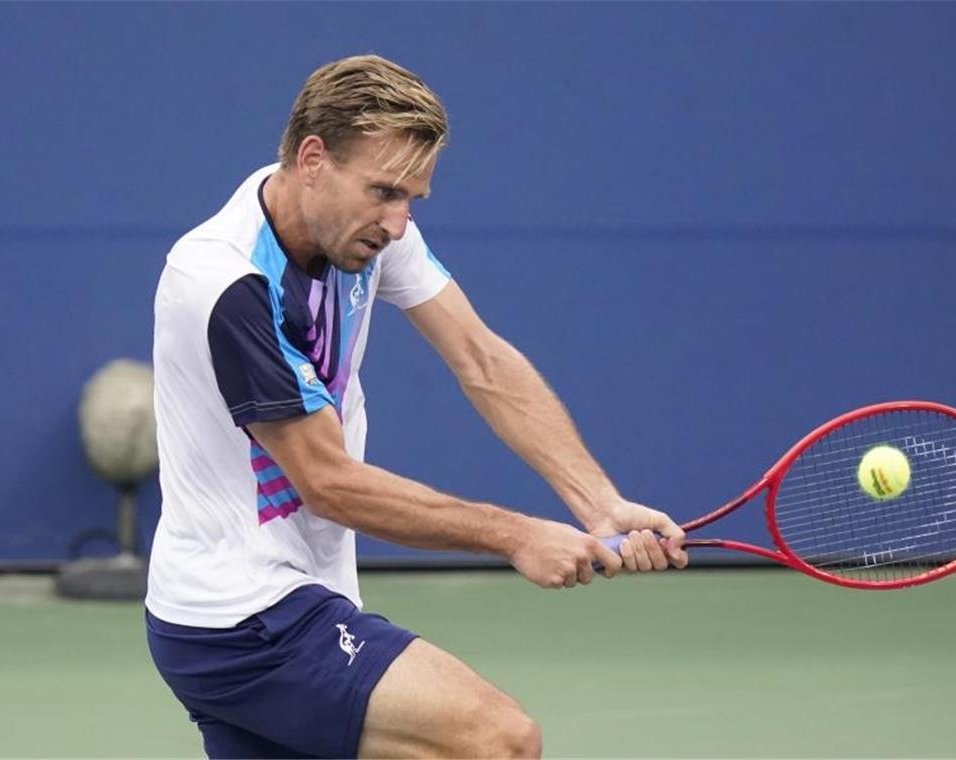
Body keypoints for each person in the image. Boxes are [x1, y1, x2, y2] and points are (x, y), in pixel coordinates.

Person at [145, 53, 689, 759]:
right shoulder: (227, 283)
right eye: (384, 192)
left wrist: (599, 502)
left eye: (412, 200)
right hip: (246, 615)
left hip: (285, 597)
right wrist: (517, 534)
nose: (398, 224)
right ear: (313, 157)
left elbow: (482, 360)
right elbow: (328, 482)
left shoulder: (361, 230)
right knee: (500, 741)